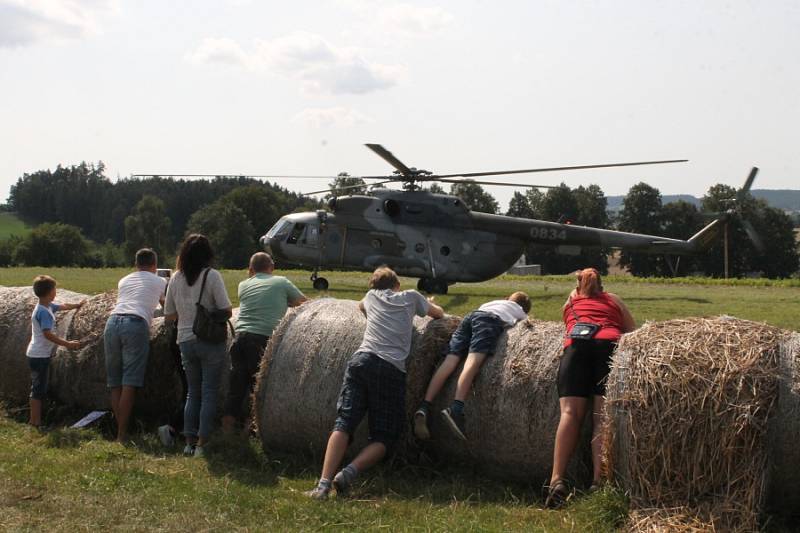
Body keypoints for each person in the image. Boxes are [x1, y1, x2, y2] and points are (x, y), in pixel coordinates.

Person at [307, 267, 444, 500]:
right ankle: (348, 473)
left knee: (344, 423)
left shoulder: (370, 297)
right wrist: (428, 302)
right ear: (397, 285)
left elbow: (360, 307)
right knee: (384, 436)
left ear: (373, 287)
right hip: (390, 369)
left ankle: (322, 485)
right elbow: (438, 314)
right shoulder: (411, 296)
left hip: (361, 361)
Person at [545, 268, 635, 508]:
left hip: (576, 348)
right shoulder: (614, 299)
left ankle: (556, 480)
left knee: (570, 414)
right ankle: (597, 481)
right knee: (601, 418)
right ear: (602, 285)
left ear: (577, 285)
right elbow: (631, 330)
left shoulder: (572, 300)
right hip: (608, 347)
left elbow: (566, 319)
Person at [413, 292, 531, 441]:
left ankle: (425, 405)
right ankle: (456, 409)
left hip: (471, 316)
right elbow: (526, 324)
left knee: (450, 361)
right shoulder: (519, 311)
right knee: (473, 361)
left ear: (507, 298)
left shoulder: (493, 302)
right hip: (488, 322)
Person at [221, 252, 307, 434]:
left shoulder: (243, 284)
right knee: (257, 387)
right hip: (261, 339)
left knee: (236, 386)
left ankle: (226, 429)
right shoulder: (281, 282)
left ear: (250, 270)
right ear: (272, 267)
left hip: (240, 337)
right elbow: (303, 303)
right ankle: (250, 429)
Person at [163, 234, 233, 457]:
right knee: (209, 392)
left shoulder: (175, 278)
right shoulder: (211, 276)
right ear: (207, 254)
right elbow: (227, 309)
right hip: (208, 340)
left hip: (184, 340)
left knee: (193, 393)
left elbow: (169, 314)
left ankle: (188, 442)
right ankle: (202, 444)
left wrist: (187, 313)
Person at [103, 248, 167, 443]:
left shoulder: (124, 280)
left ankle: (119, 431)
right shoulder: (160, 281)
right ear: (155, 265)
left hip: (112, 323)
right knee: (129, 382)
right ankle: (122, 435)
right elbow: (167, 305)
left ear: (136, 264)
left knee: (115, 382)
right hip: (135, 323)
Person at [26, 275, 86, 428]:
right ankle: (35, 422)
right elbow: (48, 334)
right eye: (54, 289)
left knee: (40, 387)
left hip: (39, 354)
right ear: (49, 292)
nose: (56, 292)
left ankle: (35, 420)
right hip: (38, 355)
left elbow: (63, 305)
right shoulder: (43, 312)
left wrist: (77, 305)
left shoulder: (47, 306)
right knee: (38, 389)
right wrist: (67, 344)